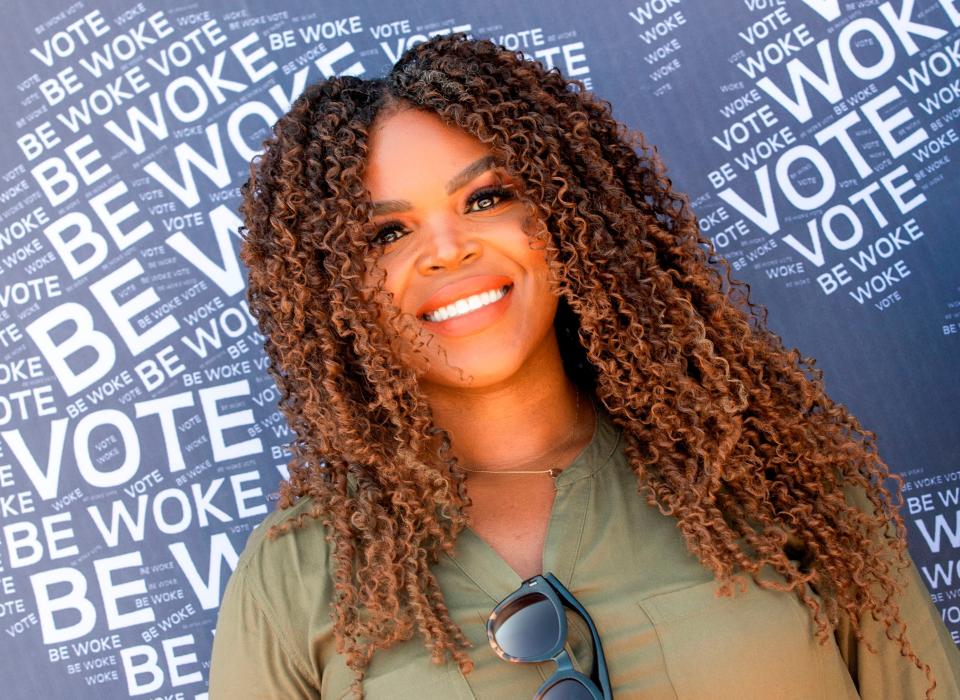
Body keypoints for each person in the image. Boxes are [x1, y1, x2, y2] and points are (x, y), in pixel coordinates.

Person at [208, 34, 960, 699]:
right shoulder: (297, 578)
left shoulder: (769, 474)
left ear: (569, 220)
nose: (447, 249)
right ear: (330, 290)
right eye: (386, 233)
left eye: (487, 197)